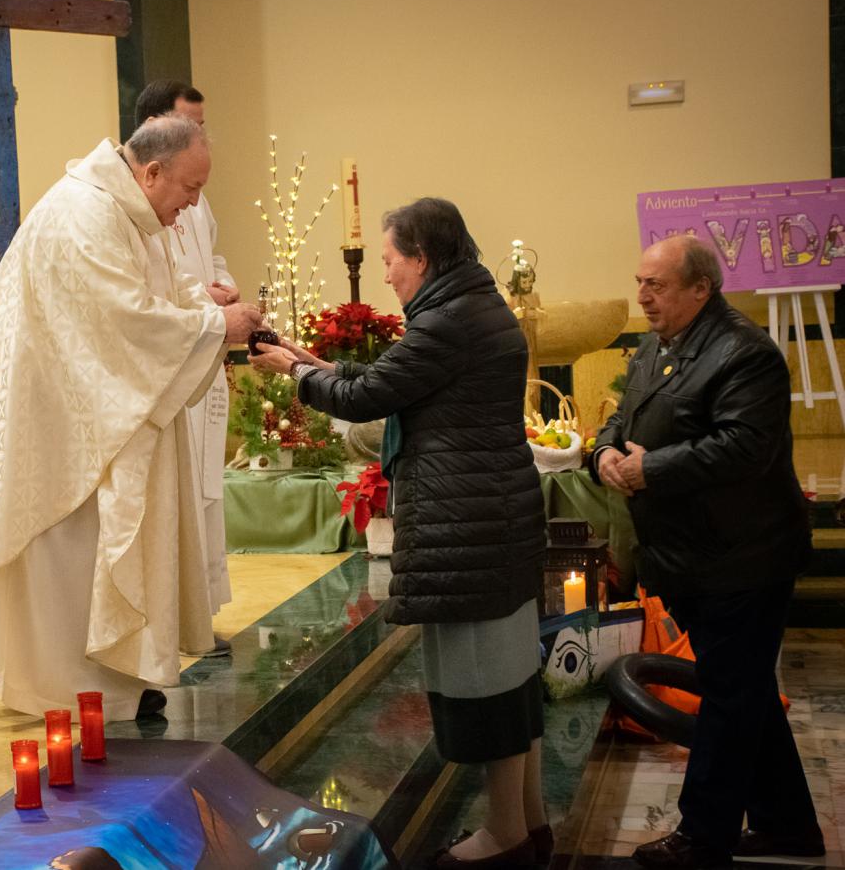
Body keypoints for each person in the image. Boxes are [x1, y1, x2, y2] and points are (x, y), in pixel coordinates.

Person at [249, 197, 548, 869]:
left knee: (488, 686)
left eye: (389, 260)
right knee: (509, 680)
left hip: (469, 527)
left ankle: (506, 837)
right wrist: (307, 357)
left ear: (422, 256)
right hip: (492, 520)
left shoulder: (449, 320)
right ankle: (528, 823)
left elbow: (365, 398)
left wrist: (295, 376)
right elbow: (394, 379)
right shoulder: (474, 306)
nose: (384, 274)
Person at [0, 116, 262, 722]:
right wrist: (218, 326)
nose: (191, 208)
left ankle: (116, 679)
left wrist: (200, 303)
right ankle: (73, 690)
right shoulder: (88, 213)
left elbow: (149, 294)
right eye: (190, 189)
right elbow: (121, 319)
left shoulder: (126, 209)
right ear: (152, 170)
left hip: (87, 411)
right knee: (73, 553)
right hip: (61, 430)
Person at [592, 236, 819, 870]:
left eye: (656, 286)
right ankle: (788, 828)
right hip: (691, 558)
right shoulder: (656, 346)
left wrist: (650, 470)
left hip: (744, 558)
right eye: (639, 282)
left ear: (701, 288)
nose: (642, 296)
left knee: (728, 696)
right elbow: (623, 418)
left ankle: (703, 839)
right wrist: (605, 452)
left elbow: (742, 448)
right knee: (741, 693)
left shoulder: (746, 354)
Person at [135, 80, 236, 653]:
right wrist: (203, 305)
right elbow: (156, 283)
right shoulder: (139, 201)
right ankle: (176, 617)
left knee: (205, 490)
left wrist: (220, 288)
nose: (201, 133)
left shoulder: (193, 192)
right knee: (178, 492)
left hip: (200, 348)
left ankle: (200, 609)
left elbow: (208, 255)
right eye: (190, 125)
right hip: (174, 357)